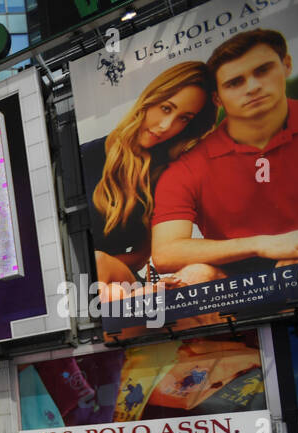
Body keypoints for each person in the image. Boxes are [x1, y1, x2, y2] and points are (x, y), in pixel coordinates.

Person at [152, 29, 298, 279]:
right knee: (194, 275)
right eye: (235, 82)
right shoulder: (189, 167)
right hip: (240, 282)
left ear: (286, 65)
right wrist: (263, 244)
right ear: (217, 97)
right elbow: (165, 253)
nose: (253, 87)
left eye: (262, 70)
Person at [87, 62, 215, 300]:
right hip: (87, 285)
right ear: (149, 100)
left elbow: (142, 255)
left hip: (115, 276)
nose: (167, 127)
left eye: (184, 118)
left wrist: (100, 265)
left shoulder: (167, 173)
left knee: (99, 266)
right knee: (104, 284)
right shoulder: (84, 157)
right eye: (166, 108)